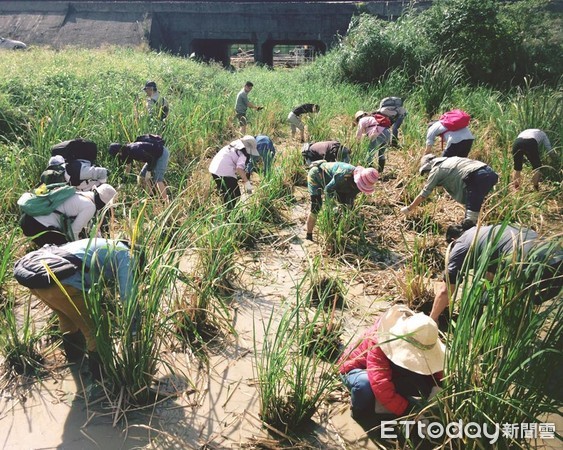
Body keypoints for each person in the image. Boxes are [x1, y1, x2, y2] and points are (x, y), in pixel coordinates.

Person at [14, 238, 139, 381]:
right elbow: (128, 296)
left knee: (67, 317)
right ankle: (101, 380)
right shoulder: (127, 256)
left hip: (36, 279)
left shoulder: (105, 243)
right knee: (98, 327)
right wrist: (134, 329)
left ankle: (75, 360)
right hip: (61, 282)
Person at [430, 224, 563, 322]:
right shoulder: (487, 232)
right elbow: (489, 278)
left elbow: (445, 290)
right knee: (525, 302)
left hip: (531, 263)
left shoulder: (460, 244)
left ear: (453, 240)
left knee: (514, 303)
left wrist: (432, 318)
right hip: (557, 256)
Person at [339, 305, 444, 420]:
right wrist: (410, 412)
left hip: (387, 370)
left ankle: (388, 403)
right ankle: (361, 411)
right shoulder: (380, 341)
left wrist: (437, 385)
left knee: (426, 384)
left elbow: (434, 365)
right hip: (357, 369)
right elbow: (380, 384)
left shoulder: (421, 335)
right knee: (364, 385)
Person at [400, 155, 498, 229]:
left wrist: (409, 208)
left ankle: (469, 239)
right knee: (473, 205)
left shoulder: (436, 169)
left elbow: (424, 194)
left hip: (477, 176)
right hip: (490, 173)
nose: (427, 176)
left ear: (428, 166)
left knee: (470, 219)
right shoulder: (450, 160)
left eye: (426, 173)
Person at [19, 184, 117, 247]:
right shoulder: (90, 207)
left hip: (27, 218)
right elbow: (73, 232)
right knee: (63, 251)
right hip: (37, 226)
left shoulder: (80, 193)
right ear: (104, 204)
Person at [305, 162, 378, 241]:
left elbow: (350, 199)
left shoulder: (357, 185)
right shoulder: (343, 174)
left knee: (345, 209)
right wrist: (331, 209)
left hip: (335, 183)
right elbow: (328, 190)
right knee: (316, 206)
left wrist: (347, 215)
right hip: (317, 175)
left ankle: (338, 235)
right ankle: (309, 235)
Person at [108, 137, 170, 203]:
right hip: (153, 158)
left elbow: (151, 159)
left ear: (119, 151)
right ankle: (151, 197)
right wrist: (123, 182)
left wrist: (149, 171)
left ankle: (166, 202)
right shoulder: (125, 153)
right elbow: (128, 168)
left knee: (158, 179)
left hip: (161, 154)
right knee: (142, 177)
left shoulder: (135, 149)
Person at [209, 135, 259, 210]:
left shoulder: (234, 144)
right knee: (235, 195)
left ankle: (224, 213)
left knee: (225, 193)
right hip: (224, 172)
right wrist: (247, 183)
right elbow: (239, 169)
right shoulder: (243, 154)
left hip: (214, 169)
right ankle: (231, 215)